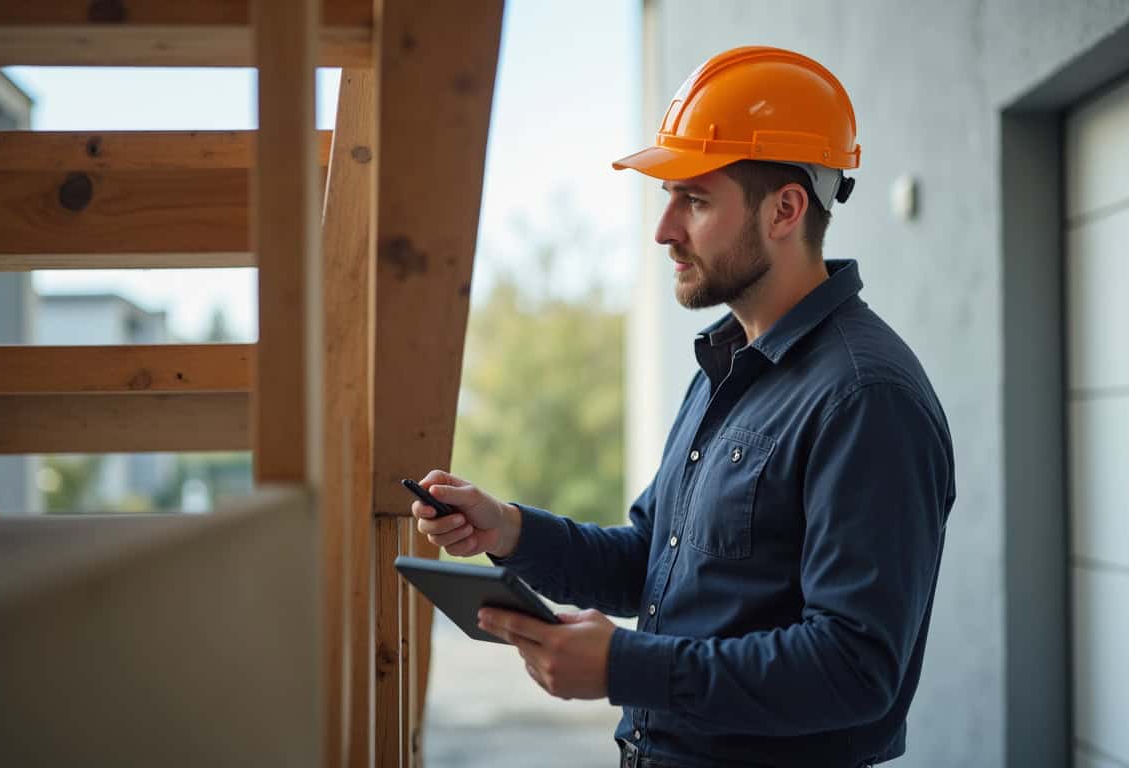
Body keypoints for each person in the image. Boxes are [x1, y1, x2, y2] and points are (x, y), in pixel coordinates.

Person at [409, 46, 955, 768]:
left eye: (694, 200)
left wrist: (623, 666)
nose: (664, 230)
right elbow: (650, 565)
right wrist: (508, 529)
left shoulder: (865, 398)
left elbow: (855, 670)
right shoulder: (725, 367)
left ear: (786, 210)